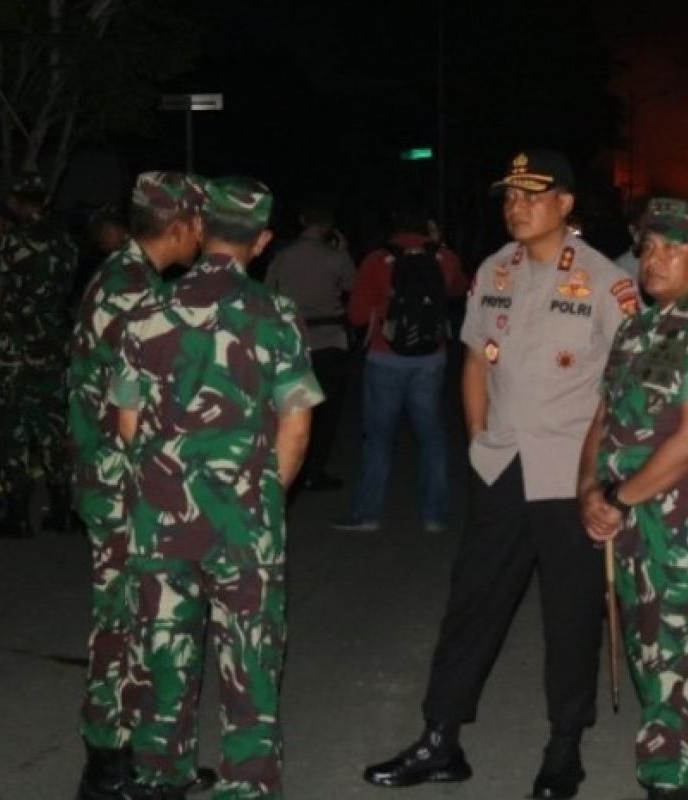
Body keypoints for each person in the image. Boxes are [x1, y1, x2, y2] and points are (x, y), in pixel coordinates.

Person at [361, 150, 637, 799]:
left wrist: (602, 478)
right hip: (503, 462)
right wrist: (480, 439)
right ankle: (440, 736)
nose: (515, 207)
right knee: (472, 602)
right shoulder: (494, 269)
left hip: (570, 470)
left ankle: (564, 745)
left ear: (565, 204)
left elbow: (621, 389)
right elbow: (475, 363)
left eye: (531, 195)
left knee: (570, 614)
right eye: (509, 197)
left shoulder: (605, 282)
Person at [111, 176, 322, 798]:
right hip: (243, 523)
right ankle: (245, 785)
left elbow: (127, 424)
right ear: (261, 241)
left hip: (162, 517)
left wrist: (166, 483)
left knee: (163, 653)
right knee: (249, 659)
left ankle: (162, 775)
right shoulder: (274, 313)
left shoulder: (145, 311)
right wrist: (260, 496)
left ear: (200, 231)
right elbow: (298, 427)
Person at [579, 199, 688, 800]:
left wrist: (617, 498)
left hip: (681, 526)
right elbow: (602, 419)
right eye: (648, 246)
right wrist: (587, 495)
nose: (654, 259)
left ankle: (678, 782)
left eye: (672, 249)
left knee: (674, 654)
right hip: (627, 520)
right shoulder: (636, 328)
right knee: (658, 652)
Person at [68, 172, 206, 799]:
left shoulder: (128, 278)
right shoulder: (134, 294)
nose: (202, 234)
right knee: (122, 624)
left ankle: (130, 757)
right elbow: (142, 414)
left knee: (133, 621)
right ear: (177, 227)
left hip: (113, 478)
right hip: (123, 484)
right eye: (197, 222)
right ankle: (106, 766)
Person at [331, 207, 465, 532]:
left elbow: (359, 315)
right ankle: (435, 515)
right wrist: (440, 246)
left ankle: (368, 514)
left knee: (378, 438)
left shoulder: (378, 259)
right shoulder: (444, 258)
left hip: (384, 355)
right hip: (431, 357)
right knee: (432, 435)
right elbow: (460, 290)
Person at [0, 173, 80, 538]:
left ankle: (17, 514)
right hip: (52, 343)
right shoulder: (65, 241)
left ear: (16, 199)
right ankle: (62, 509)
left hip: (13, 346)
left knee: (13, 426)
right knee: (51, 425)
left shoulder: (10, 242)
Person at [265, 200, 356, 492]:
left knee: (290, 408)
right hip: (329, 340)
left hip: (292, 340)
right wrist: (343, 251)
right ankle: (316, 471)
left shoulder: (283, 255)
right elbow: (352, 286)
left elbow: (268, 291)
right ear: (329, 226)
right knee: (325, 412)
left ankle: (289, 468)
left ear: (303, 219)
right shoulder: (335, 256)